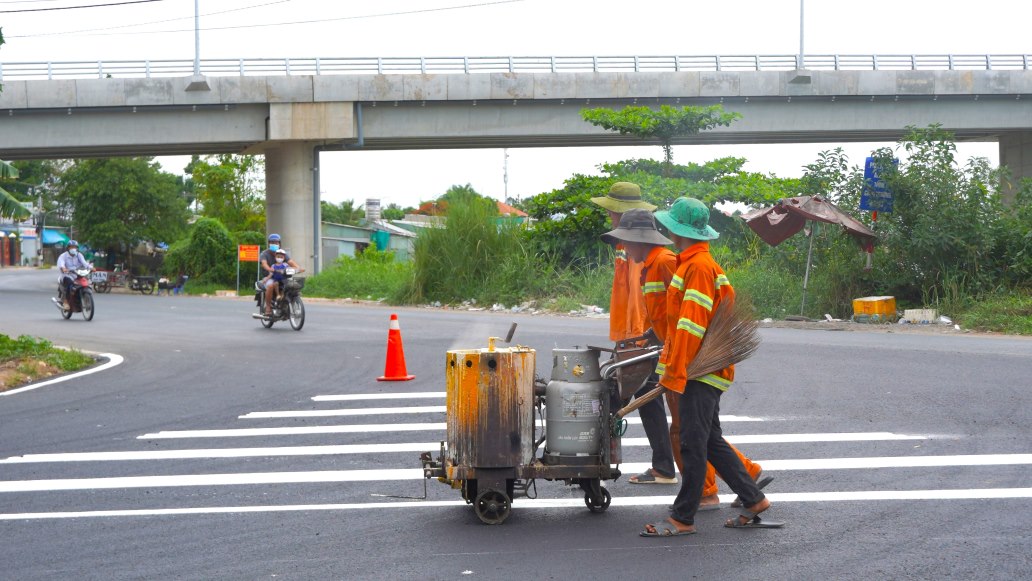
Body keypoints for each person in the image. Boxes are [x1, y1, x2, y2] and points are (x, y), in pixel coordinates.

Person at [603, 208, 772, 512]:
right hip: (686, 363)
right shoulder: (671, 264)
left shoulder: (680, 265)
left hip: (696, 366)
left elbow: (690, 325)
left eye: (625, 242)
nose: (624, 249)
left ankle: (695, 504)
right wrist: (648, 337)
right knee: (702, 436)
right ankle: (748, 487)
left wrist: (675, 373)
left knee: (691, 436)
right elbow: (673, 315)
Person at [642, 197, 783, 537]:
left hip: (700, 371)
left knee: (692, 442)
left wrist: (676, 373)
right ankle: (754, 500)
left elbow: (691, 327)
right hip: (700, 368)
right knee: (710, 439)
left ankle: (683, 517)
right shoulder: (688, 264)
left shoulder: (699, 268)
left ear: (678, 230)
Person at [591, 182, 677, 485]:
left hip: (642, 335)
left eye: (611, 210)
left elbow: (644, 298)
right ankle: (663, 466)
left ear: (619, 211)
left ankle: (591, 462)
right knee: (646, 397)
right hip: (634, 335)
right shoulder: (625, 247)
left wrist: (640, 338)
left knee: (633, 396)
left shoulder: (644, 253)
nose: (609, 216)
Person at [259, 233, 303, 317]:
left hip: (282, 276)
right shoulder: (264, 254)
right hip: (270, 276)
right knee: (270, 285)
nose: (274, 244)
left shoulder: (282, 254)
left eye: (276, 243)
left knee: (292, 285)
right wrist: (269, 269)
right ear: (269, 243)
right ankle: (268, 307)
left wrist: (298, 268)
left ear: (279, 244)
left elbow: (292, 263)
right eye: (272, 242)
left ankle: (285, 301)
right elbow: (264, 263)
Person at [55, 240, 91, 309]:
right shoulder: (63, 256)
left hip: (77, 274)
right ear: (68, 248)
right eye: (71, 247)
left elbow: (85, 263)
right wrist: (63, 268)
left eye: (75, 247)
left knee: (87, 281)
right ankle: (65, 302)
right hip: (67, 275)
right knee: (70, 284)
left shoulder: (79, 255)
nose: (73, 249)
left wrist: (91, 268)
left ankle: (82, 297)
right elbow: (61, 264)